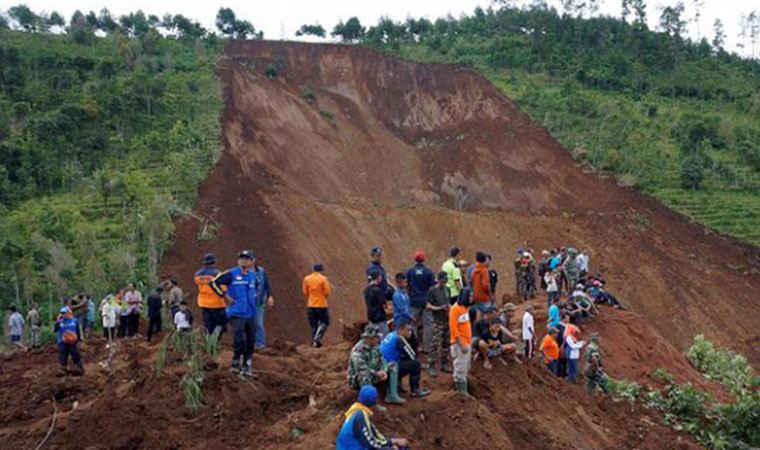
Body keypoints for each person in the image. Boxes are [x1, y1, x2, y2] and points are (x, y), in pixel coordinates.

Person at [210, 250, 258, 377]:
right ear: (238, 261)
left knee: (251, 339)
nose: (243, 260)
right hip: (236, 312)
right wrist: (224, 295)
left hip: (250, 313)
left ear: (251, 261)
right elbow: (213, 283)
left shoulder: (253, 276)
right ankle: (236, 363)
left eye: (246, 258)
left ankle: (247, 365)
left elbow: (256, 289)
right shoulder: (231, 273)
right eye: (241, 258)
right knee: (240, 337)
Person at [336, 385, 410, 450]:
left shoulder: (358, 410)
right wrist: (389, 448)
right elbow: (370, 444)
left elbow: (375, 436)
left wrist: (393, 441)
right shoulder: (360, 416)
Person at [379, 322, 431, 403]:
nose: (410, 333)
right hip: (390, 368)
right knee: (415, 363)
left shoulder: (391, 334)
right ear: (401, 330)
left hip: (383, 365)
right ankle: (415, 389)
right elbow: (411, 355)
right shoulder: (399, 339)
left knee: (401, 360)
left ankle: (398, 386)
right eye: (408, 330)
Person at [405, 251, 435, 354]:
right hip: (426, 301)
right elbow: (432, 288)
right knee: (428, 325)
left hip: (413, 300)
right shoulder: (428, 272)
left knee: (413, 324)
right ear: (423, 259)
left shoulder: (409, 271)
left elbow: (406, 284)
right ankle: (427, 348)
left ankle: (414, 347)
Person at [425, 272, 451, 377]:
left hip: (446, 320)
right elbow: (428, 306)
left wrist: (448, 308)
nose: (444, 282)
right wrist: (440, 308)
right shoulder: (432, 291)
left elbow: (448, 302)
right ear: (438, 280)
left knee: (446, 342)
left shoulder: (447, 290)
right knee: (434, 343)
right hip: (437, 321)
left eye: (445, 281)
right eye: (443, 280)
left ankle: (444, 362)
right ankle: (431, 364)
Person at [195, 253, 227, 337]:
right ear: (214, 262)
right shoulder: (217, 273)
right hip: (217, 303)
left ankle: (208, 343)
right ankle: (215, 342)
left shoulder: (197, 274)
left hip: (203, 302)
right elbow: (223, 288)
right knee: (221, 324)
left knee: (208, 325)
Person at [347, 324, 388, 390]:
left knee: (392, 367)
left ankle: (390, 394)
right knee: (364, 376)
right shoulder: (358, 350)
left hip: (374, 375)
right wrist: (377, 373)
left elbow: (382, 359)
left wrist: (383, 370)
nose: (378, 339)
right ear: (368, 338)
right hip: (358, 379)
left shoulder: (376, 346)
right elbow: (362, 369)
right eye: (376, 337)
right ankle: (367, 397)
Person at [449, 287, 473, 396]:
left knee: (465, 366)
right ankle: (461, 392)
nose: (472, 298)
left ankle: (463, 389)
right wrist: (461, 344)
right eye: (470, 296)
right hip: (460, 344)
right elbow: (454, 329)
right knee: (460, 368)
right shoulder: (455, 309)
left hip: (467, 341)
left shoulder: (465, 308)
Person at [302, 262, 332, 347]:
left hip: (310, 304)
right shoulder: (323, 279)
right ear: (321, 270)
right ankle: (317, 339)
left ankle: (314, 342)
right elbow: (327, 292)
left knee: (313, 325)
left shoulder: (307, 279)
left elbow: (305, 291)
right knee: (325, 322)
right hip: (321, 304)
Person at [251, 256, 274, 349]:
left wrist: (270, 296)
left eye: (249, 258)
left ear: (253, 260)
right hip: (246, 303)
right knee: (248, 324)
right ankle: (250, 343)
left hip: (259, 302)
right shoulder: (242, 272)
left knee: (259, 323)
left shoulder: (261, 271)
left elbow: (267, 284)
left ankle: (260, 344)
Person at [54, 306, 84, 375]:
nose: (63, 314)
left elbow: (78, 330)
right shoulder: (60, 321)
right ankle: (63, 369)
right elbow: (55, 330)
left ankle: (79, 368)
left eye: (64, 313)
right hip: (62, 341)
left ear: (68, 313)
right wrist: (57, 321)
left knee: (75, 354)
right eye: (61, 313)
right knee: (63, 355)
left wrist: (79, 340)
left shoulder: (74, 320)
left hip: (73, 341)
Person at [364, 269, 389, 338]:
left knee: (374, 340)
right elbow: (384, 305)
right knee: (385, 340)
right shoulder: (377, 290)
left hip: (371, 320)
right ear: (378, 277)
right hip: (380, 321)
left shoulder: (366, 290)